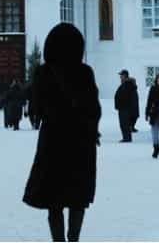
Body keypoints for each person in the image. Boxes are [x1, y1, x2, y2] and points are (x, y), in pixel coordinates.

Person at [23, 23, 101, 242]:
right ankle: (73, 238)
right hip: (80, 142)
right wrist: (91, 130)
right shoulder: (85, 72)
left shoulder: (43, 72)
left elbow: (37, 106)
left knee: (53, 199)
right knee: (78, 198)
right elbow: (94, 109)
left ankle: (58, 240)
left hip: (53, 142)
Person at [113, 70, 138, 142]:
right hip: (123, 107)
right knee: (123, 123)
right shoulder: (125, 84)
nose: (120, 76)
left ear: (125, 75)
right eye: (120, 75)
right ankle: (126, 137)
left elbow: (127, 97)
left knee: (124, 123)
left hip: (125, 108)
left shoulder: (128, 84)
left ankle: (127, 138)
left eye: (121, 75)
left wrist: (122, 104)